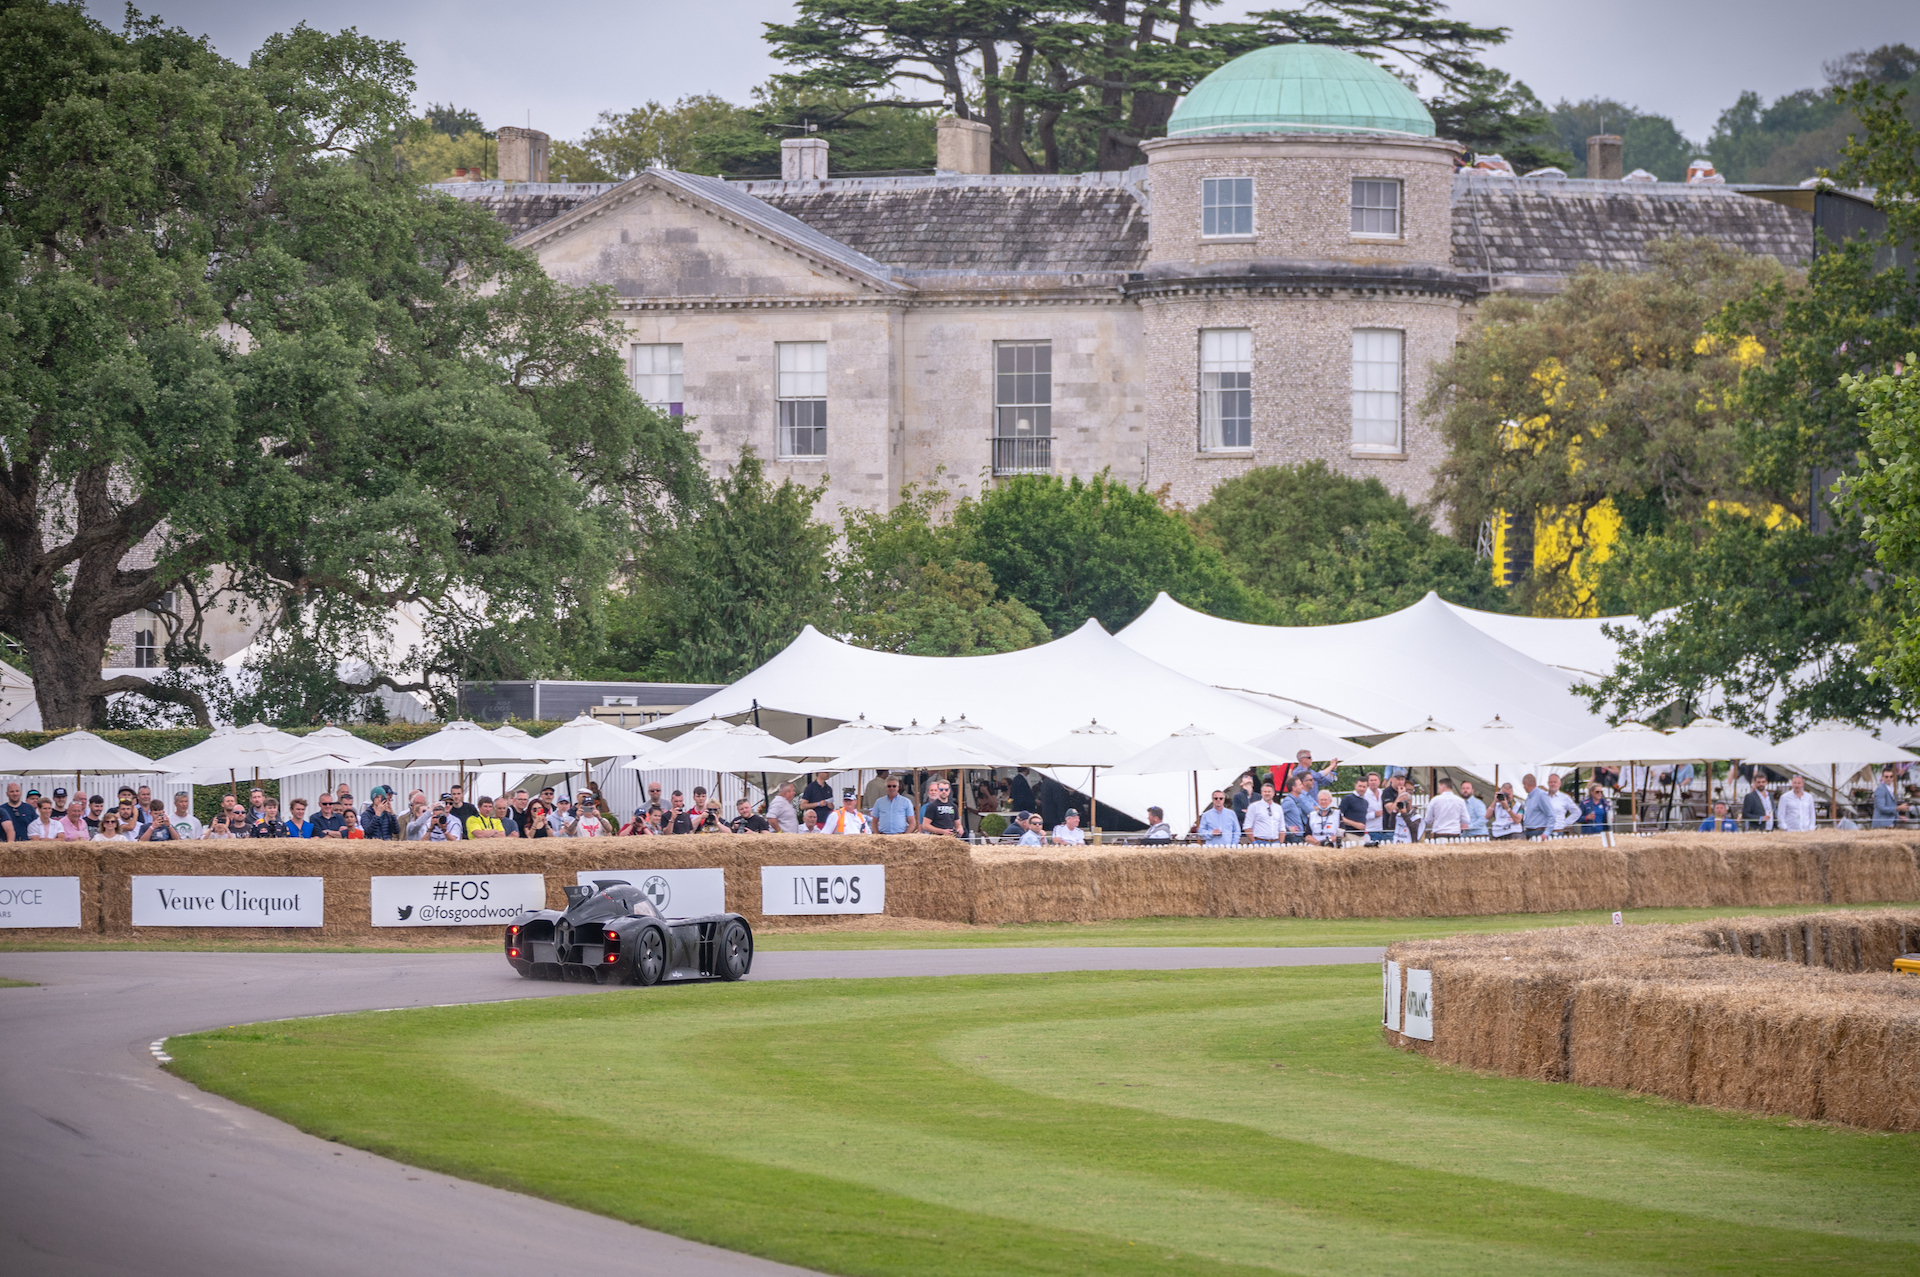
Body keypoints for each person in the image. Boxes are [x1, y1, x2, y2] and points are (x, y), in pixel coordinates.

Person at [1243, 781, 1285, 845]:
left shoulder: (1278, 807)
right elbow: (1247, 826)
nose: (1267, 794)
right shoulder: (1253, 806)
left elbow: (1282, 827)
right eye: (1265, 792)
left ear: (1273, 793)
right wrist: (1254, 843)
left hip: (1276, 842)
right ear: (1261, 793)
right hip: (1259, 842)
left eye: (1269, 792)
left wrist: (1281, 843)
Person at [1279, 775, 1311, 844]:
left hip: (1298, 836)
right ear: (1294, 788)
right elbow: (1277, 815)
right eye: (1300, 785)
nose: (1302, 786)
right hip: (1292, 837)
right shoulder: (1288, 801)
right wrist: (1288, 827)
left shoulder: (1296, 800)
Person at [1521, 774, 1555, 839]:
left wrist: (1546, 833)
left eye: (1524, 785)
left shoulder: (1541, 795)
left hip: (1539, 832)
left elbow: (1551, 815)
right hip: (1528, 832)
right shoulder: (1528, 798)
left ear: (1527, 784)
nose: (1523, 787)